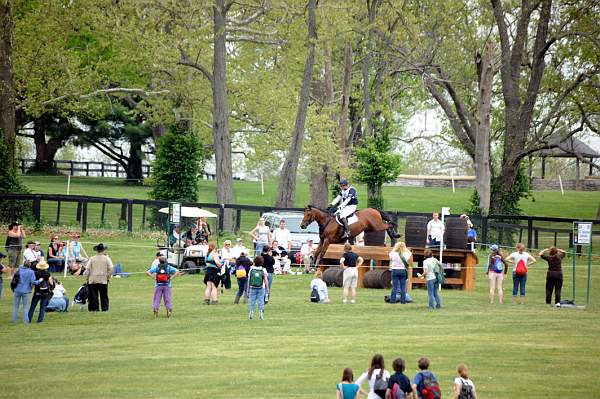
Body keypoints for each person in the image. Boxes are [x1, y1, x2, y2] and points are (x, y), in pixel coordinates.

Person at [84, 243, 113, 312]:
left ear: (97, 250)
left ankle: (94, 308)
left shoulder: (92, 258)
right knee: (104, 295)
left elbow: (87, 269)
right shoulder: (107, 258)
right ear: (103, 250)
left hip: (93, 279)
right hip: (103, 279)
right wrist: (108, 277)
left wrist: (87, 277)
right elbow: (111, 268)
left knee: (93, 296)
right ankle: (105, 308)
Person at [247, 255, 269, 320]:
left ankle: (251, 312)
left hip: (252, 287)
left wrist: (248, 289)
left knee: (252, 301)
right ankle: (261, 313)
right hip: (261, 288)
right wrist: (268, 289)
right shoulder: (263, 270)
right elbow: (265, 280)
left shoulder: (251, 269)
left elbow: (249, 280)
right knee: (261, 301)